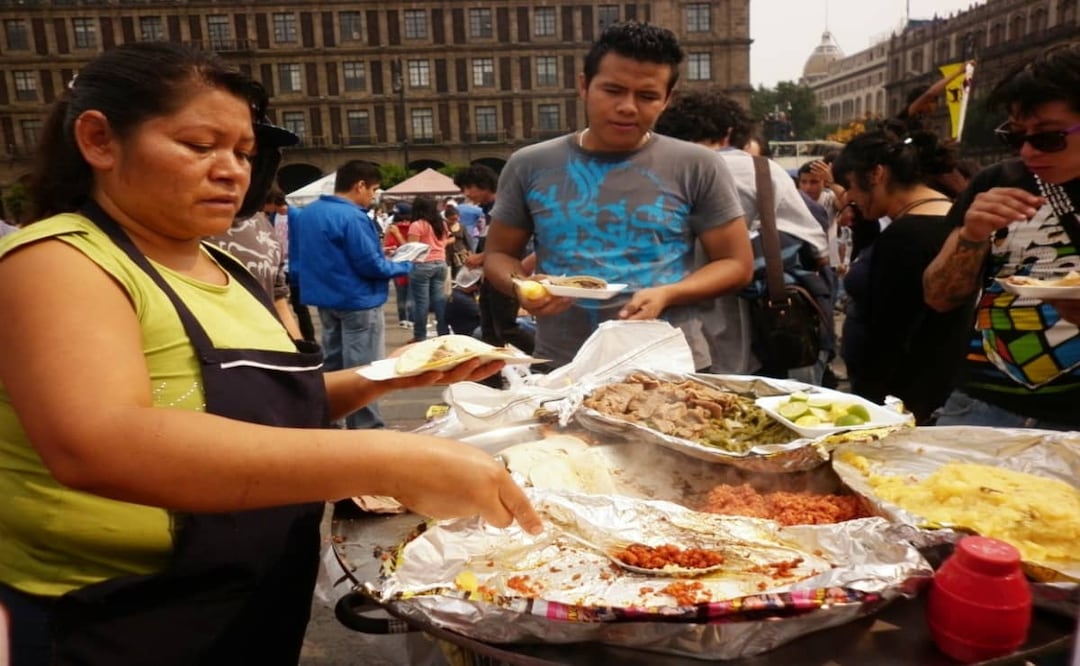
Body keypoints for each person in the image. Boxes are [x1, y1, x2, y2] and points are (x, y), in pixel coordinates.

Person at [0, 42, 541, 666]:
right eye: (200, 145)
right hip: (117, 616)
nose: (231, 170)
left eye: (242, 152)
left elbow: (261, 407)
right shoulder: (59, 262)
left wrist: (389, 373)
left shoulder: (219, 262)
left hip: (248, 595)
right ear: (99, 140)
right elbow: (100, 442)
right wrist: (388, 458)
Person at [483, 21, 752, 369]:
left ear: (667, 99)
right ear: (584, 86)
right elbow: (499, 255)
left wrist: (670, 293)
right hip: (563, 366)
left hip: (670, 367)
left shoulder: (698, 165)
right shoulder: (529, 165)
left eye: (647, 96)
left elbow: (736, 263)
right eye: (612, 90)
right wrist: (522, 286)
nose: (628, 107)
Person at [924, 43, 1080, 430]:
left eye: (1047, 137)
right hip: (979, 405)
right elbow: (939, 297)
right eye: (1014, 136)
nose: (1027, 151)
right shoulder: (996, 182)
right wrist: (972, 234)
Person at [654, 87, 828, 376]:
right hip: (768, 324)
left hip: (682, 327)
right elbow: (817, 248)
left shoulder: (664, 172)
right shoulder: (763, 171)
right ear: (729, 133)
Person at [831, 129, 970, 424]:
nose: (850, 198)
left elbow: (890, 333)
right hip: (927, 390)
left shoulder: (906, 236)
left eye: (850, 186)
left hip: (898, 401)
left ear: (876, 174)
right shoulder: (950, 217)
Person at [294, 160, 409, 430]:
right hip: (359, 299)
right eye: (373, 189)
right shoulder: (354, 217)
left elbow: (300, 258)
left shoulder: (307, 213)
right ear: (360, 185)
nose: (373, 196)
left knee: (333, 364)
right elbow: (370, 265)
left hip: (325, 298)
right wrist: (405, 266)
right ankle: (366, 426)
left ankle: (329, 420)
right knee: (364, 367)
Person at [454, 164, 535, 358]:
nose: (467, 194)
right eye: (463, 189)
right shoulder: (487, 210)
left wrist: (482, 257)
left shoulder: (505, 207)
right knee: (489, 329)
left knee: (506, 329)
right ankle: (493, 372)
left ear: (484, 184)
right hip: (491, 276)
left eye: (469, 187)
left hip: (506, 274)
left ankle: (547, 359)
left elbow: (513, 244)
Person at [208, 201, 303, 340]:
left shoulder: (261, 222)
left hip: (269, 344)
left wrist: (298, 347)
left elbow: (278, 300)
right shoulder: (187, 228)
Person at [406, 196, 450, 342]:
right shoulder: (442, 224)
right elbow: (444, 242)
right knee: (439, 301)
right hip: (441, 263)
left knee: (421, 303)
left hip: (423, 265)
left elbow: (412, 249)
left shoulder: (417, 225)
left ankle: (420, 335)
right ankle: (443, 333)